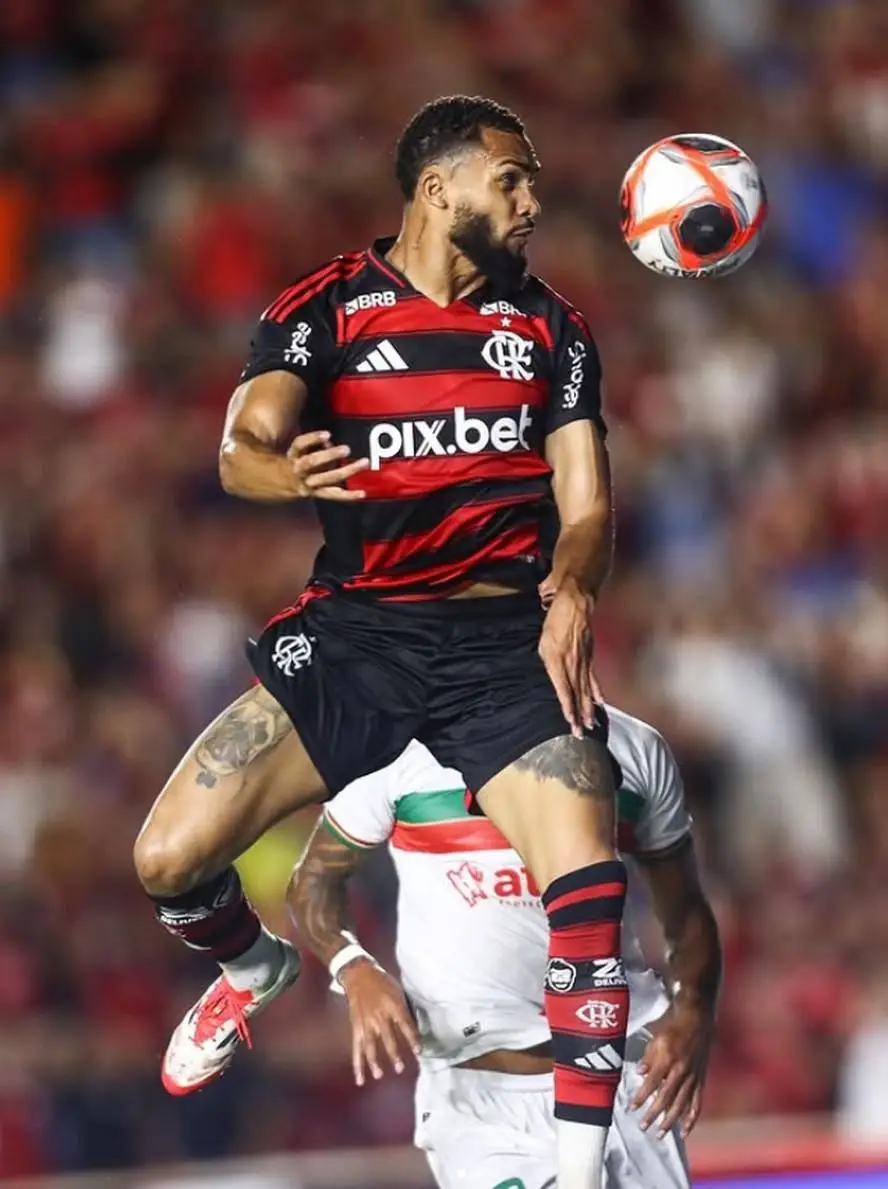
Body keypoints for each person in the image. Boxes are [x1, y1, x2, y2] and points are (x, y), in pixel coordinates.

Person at [134, 94, 619, 1188]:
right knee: (166, 862)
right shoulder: (330, 307)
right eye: (513, 180)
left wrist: (578, 586)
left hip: (503, 646)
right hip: (360, 636)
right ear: (440, 189)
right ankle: (253, 968)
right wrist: (278, 469)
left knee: (589, 891)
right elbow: (242, 443)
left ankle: (584, 1176)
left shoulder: (552, 327)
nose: (533, 200)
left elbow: (585, 506)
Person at [288, 708, 721, 1189]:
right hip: (484, 1104)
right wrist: (354, 968)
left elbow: (686, 912)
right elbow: (313, 882)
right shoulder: (400, 747)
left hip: (628, 1088)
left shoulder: (635, 747)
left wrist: (694, 1015)